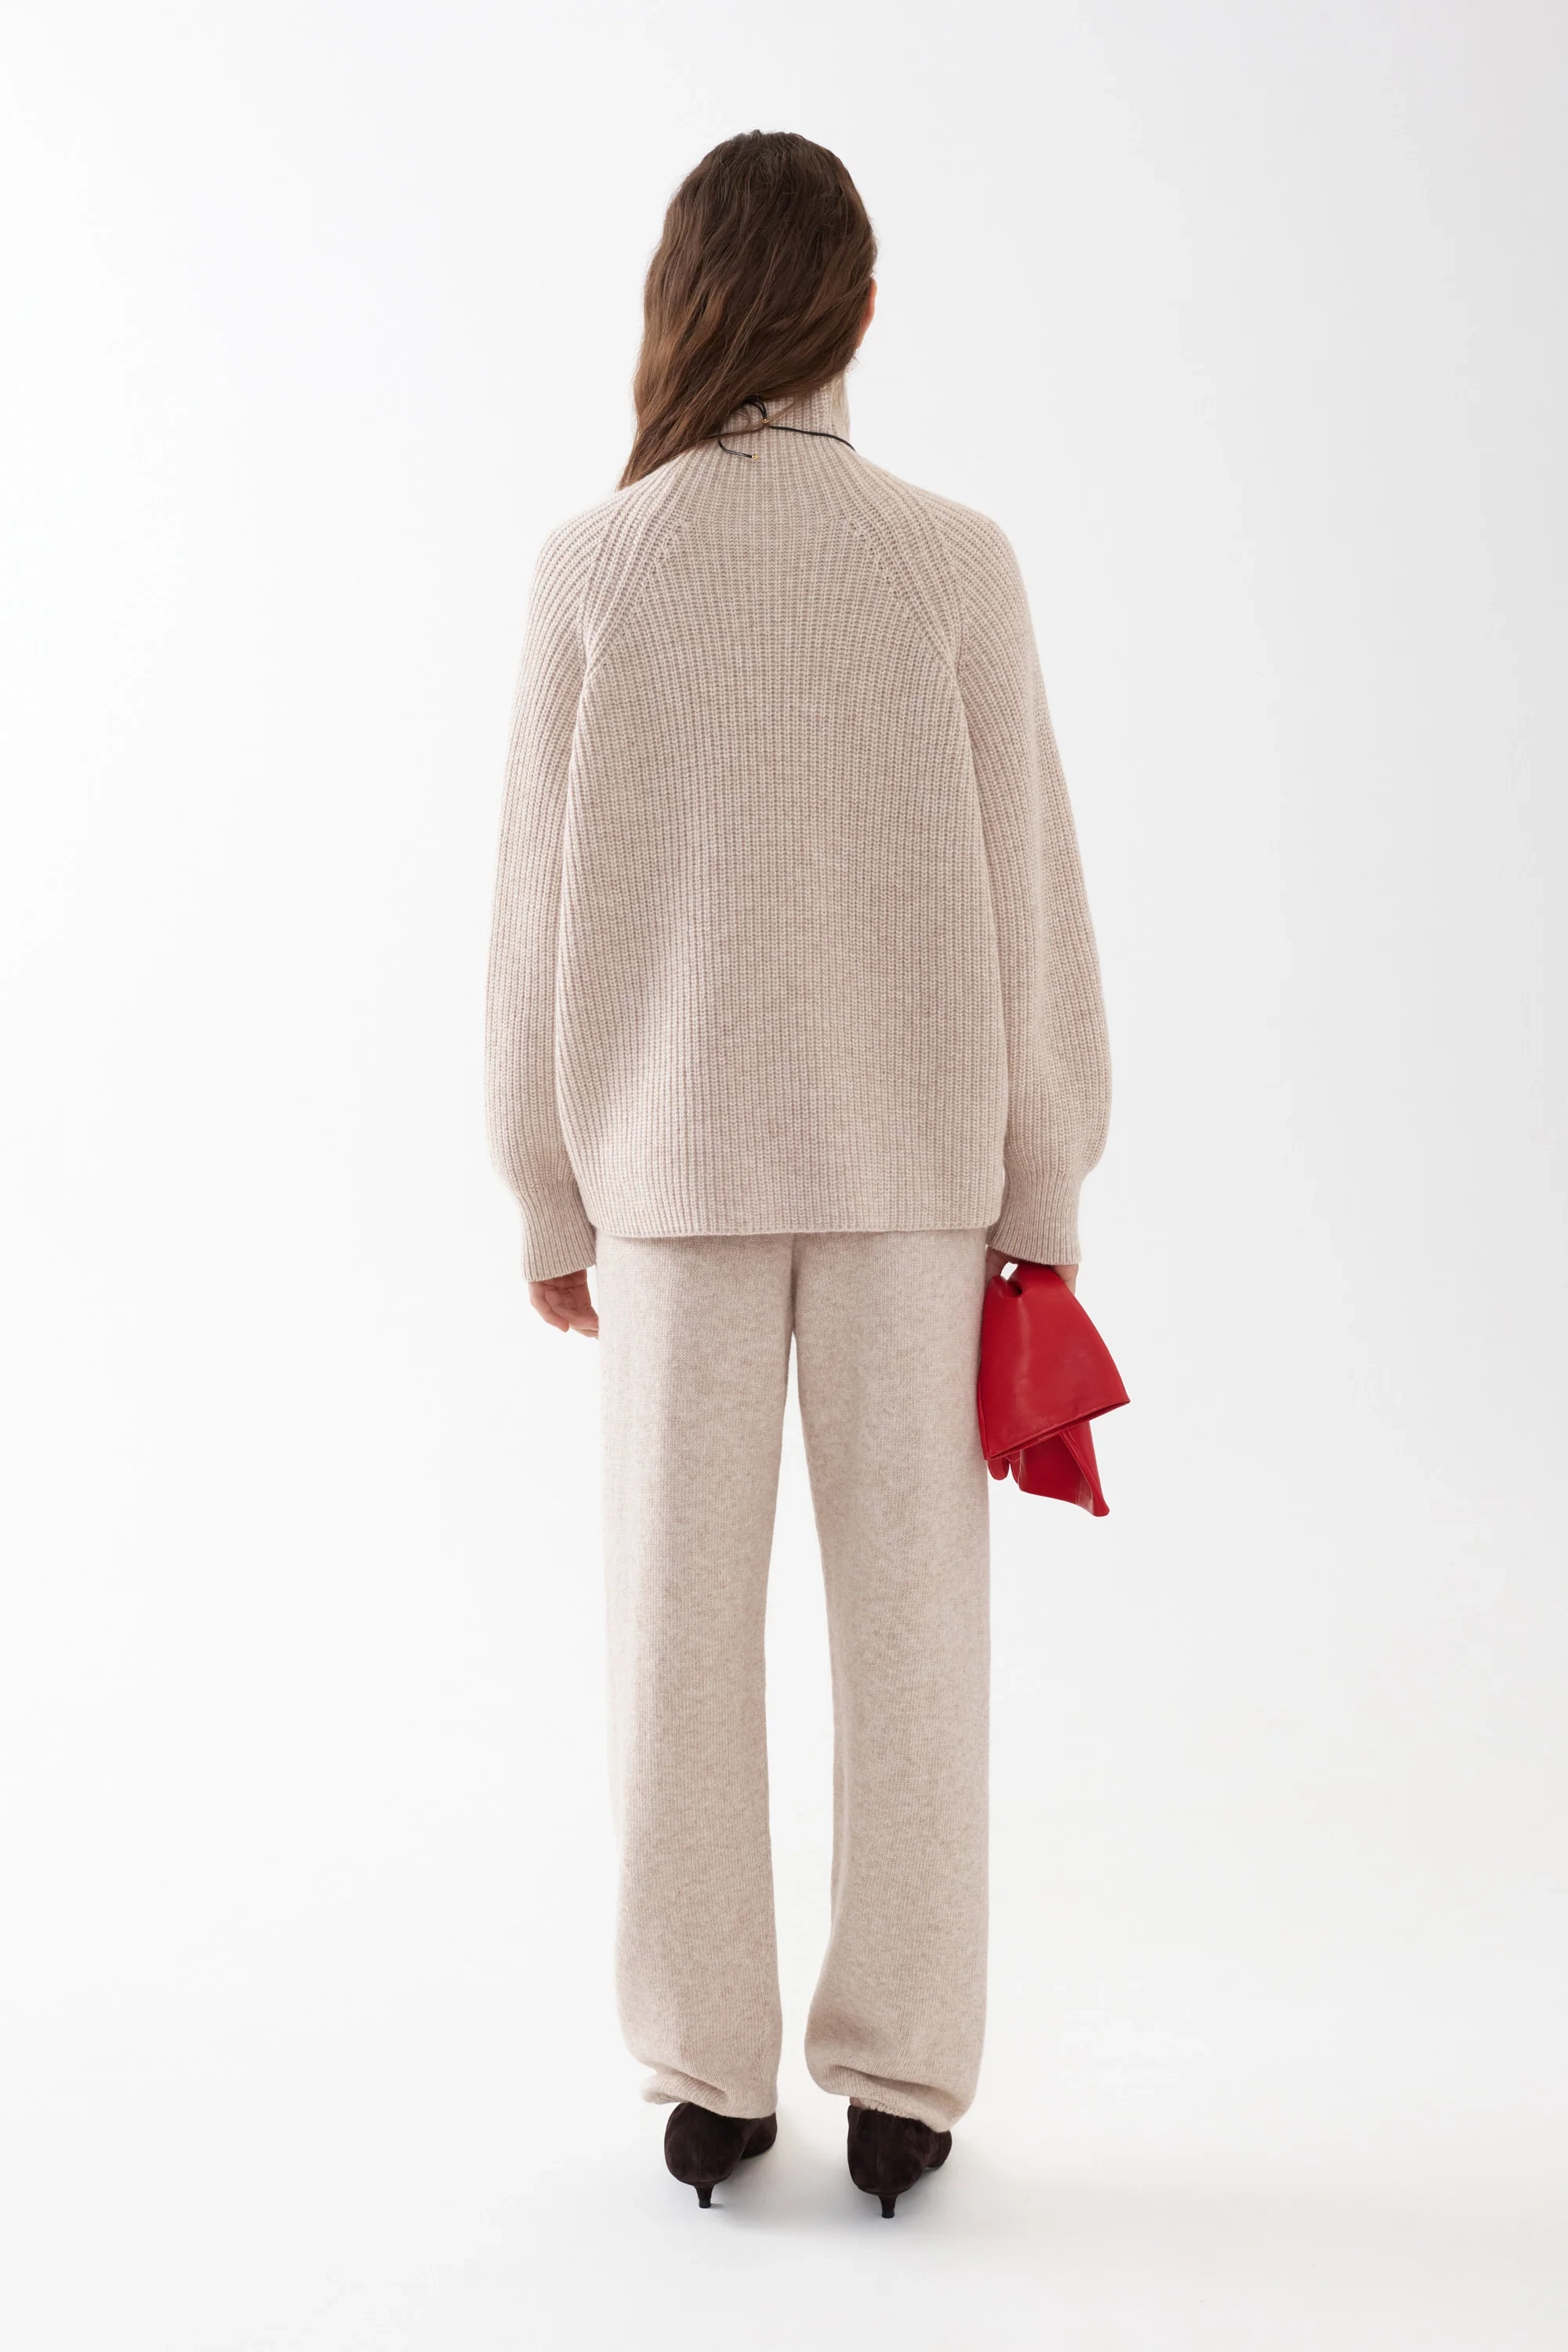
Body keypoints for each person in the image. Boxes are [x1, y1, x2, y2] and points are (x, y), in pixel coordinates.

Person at [485, 130, 1110, 2218]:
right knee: (916, 1631)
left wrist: (544, 1190)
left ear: (679, 300)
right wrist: (1046, 1191)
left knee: (675, 1628)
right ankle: (906, 2078)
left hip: (668, 1178)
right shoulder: (957, 564)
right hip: (916, 1170)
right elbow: (1033, 898)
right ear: (858, 309)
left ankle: (709, 2073)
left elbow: (532, 924)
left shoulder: (597, 567)